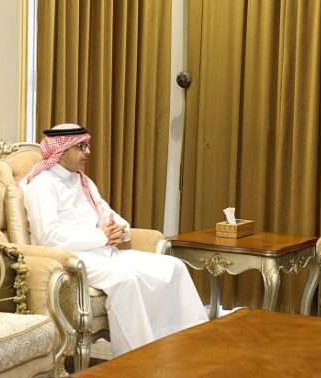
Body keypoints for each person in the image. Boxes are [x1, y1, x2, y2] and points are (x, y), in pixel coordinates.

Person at [19, 123, 208, 358]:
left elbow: (106, 212)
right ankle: (138, 358)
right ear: (62, 150)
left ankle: (187, 345)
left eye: (87, 145)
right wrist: (102, 236)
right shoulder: (42, 185)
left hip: (106, 252)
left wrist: (121, 229)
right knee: (126, 280)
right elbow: (47, 237)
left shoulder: (82, 181)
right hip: (75, 259)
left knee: (174, 267)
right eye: (81, 146)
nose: (88, 151)